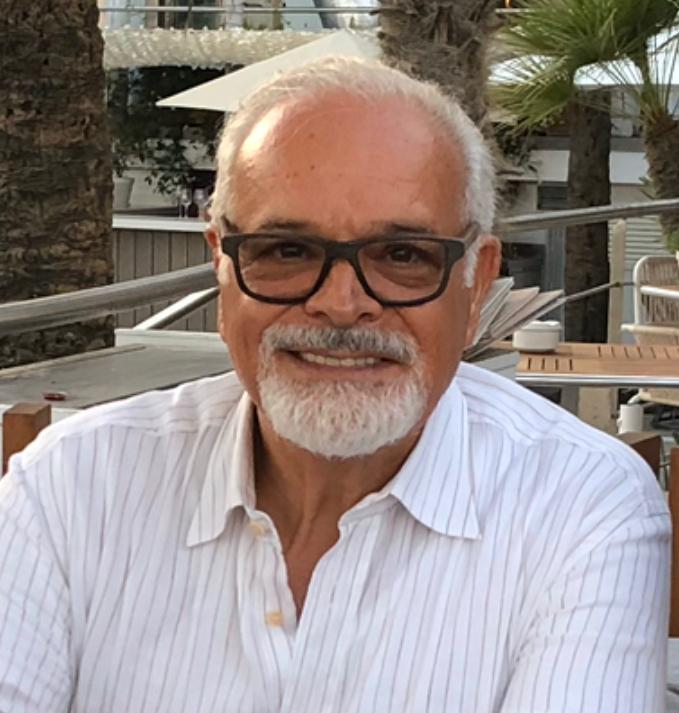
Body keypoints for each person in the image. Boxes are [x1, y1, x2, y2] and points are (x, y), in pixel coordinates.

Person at [0, 57, 670, 713]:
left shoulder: (577, 507)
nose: (341, 304)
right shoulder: (69, 488)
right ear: (221, 267)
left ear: (475, 284)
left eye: (402, 255)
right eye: (287, 250)